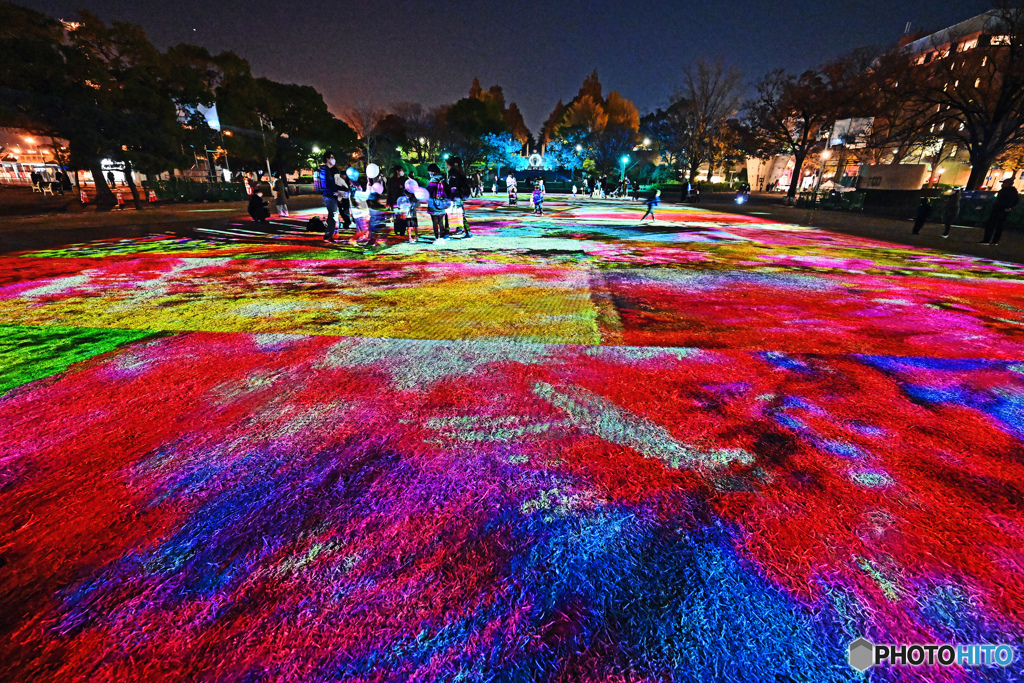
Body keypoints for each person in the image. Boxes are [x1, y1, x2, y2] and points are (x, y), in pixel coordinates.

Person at [982, 178, 1020, 245]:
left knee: (991, 224)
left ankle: (987, 240)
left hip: (999, 209)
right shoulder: (1013, 191)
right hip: (1004, 210)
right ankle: (994, 241)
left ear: (1007, 184)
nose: (1002, 184)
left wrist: (1006, 206)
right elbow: (1016, 201)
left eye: (1004, 183)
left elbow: (1004, 200)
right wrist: (1010, 207)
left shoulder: (1006, 191)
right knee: (999, 226)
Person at [317, 151, 342, 243]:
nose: (333, 159)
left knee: (333, 215)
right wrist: (334, 191)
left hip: (331, 195)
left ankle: (330, 234)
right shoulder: (324, 170)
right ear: (327, 159)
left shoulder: (330, 170)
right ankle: (328, 235)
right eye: (332, 157)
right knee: (332, 215)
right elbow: (325, 185)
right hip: (329, 196)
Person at [446, 156, 472, 238]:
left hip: (455, 196)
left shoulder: (453, 172)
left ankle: (447, 233)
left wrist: (451, 197)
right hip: (460, 196)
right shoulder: (460, 171)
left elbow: (453, 186)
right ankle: (465, 231)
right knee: (461, 214)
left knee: (452, 214)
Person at [427, 164, 451, 242]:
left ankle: (437, 238)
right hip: (442, 202)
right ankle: (442, 237)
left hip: (433, 203)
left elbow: (429, 191)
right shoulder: (443, 179)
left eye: (429, 172)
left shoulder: (433, 180)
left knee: (434, 220)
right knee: (441, 221)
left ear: (432, 171)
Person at [387, 165, 407, 235]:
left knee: (403, 216)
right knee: (397, 216)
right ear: (397, 171)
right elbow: (389, 192)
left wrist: (402, 187)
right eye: (401, 170)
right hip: (394, 201)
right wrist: (388, 203)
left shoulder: (404, 180)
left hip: (403, 201)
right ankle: (397, 229)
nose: (402, 172)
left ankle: (402, 230)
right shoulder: (391, 180)